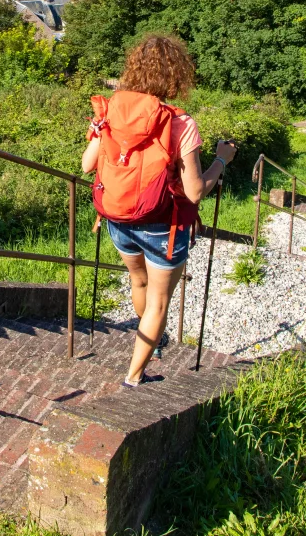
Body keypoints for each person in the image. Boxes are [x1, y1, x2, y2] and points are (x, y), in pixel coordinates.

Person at [82, 34, 237, 387]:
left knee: (138, 281)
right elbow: (195, 192)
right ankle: (134, 377)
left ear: (133, 69)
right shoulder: (181, 124)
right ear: (176, 76)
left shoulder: (108, 111)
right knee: (159, 303)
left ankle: (149, 339)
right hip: (162, 226)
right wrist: (221, 161)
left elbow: (87, 165)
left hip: (118, 218)